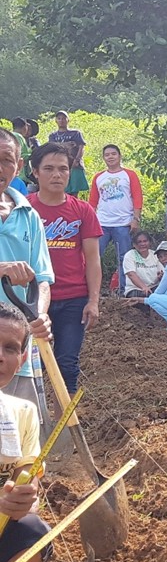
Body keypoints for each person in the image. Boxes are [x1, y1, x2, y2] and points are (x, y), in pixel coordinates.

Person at [27, 143, 102, 395]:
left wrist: (93, 300)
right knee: (29, 365)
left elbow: (92, 260)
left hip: (73, 299)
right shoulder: (23, 211)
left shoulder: (82, 210)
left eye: (62, 169)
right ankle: (30, 425)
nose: (56, 175)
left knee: (67, 365)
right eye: (48, 168)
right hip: (30, 300)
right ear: (35, 172)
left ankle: (66, 429)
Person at [0, 303, 53, 562]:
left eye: (9, 348)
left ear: (20, 361)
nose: (0, 357)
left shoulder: (23, 411)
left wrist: (25, 495)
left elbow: (27, 472)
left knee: (36, 534)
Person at [0, 128, 53, 417]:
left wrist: (40, 315)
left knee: (22, 427)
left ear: (18, 166)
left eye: (6, 160)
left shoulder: (28, 213)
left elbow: (42, 278)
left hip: (17, 342)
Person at [89, 144, 143, 295]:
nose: (110, 157)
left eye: (114, 154)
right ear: (103, 158)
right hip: (102, 224)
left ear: (120, 156)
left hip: (123, 223)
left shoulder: (129, 175)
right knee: (94, 257)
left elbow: (137, 197)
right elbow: (92, 202)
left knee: (124, 258)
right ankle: (92, 290)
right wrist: (90, 221)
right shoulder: (99, 177)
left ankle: (123, 289)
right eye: (107, 154)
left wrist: (136, 218)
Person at [48, 111, 89, 196]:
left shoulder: (75, 133)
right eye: (59, 118)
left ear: (68, 120)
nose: (61, 120)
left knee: (74, 192)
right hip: (59, 166)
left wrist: (77, 160)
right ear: (56, 121)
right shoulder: (53, 135)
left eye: (64, 118)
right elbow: (51, 148)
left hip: (75, 165)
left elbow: (81, 147)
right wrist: (65, 145)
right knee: (61, 189)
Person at [123, 231, 162, 298]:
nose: (142, 244)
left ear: (149, 242)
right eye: (139, 242)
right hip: (135, 289)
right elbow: (131, 274)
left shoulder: (155, 254)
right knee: (147, 296)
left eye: (145, 241)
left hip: (154, 287)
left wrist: (161, 276)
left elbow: (161, 272)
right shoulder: (130, 255)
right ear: (134, 244)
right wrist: (144, 287)